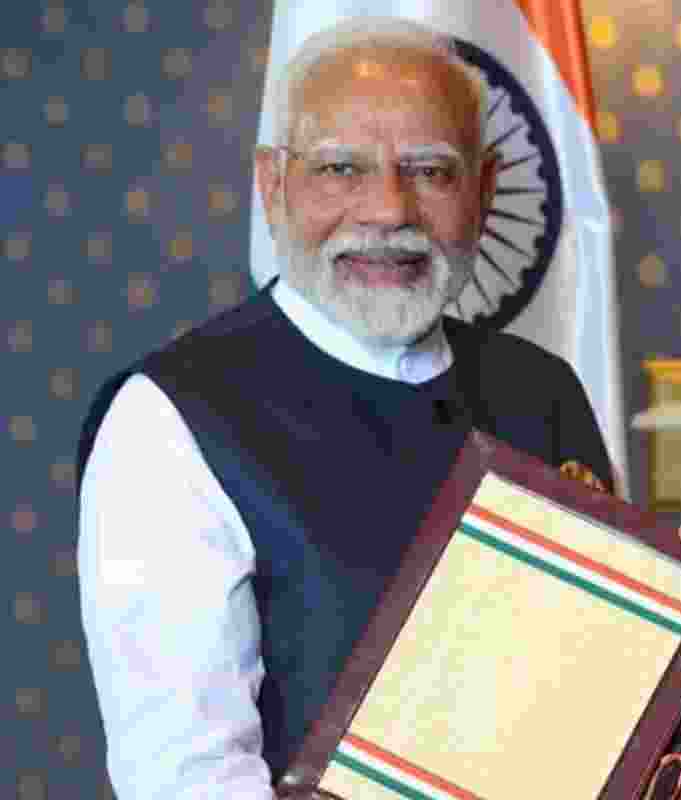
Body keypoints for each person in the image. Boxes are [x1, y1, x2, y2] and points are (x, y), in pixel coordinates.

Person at [75, 18, 620, 798]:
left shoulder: (544, 393)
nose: (387, 211)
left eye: (430, 171)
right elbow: (185, 779)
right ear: (272, 185)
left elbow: (610, 688)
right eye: (340, 169)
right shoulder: (169, 418)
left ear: (485, 188)